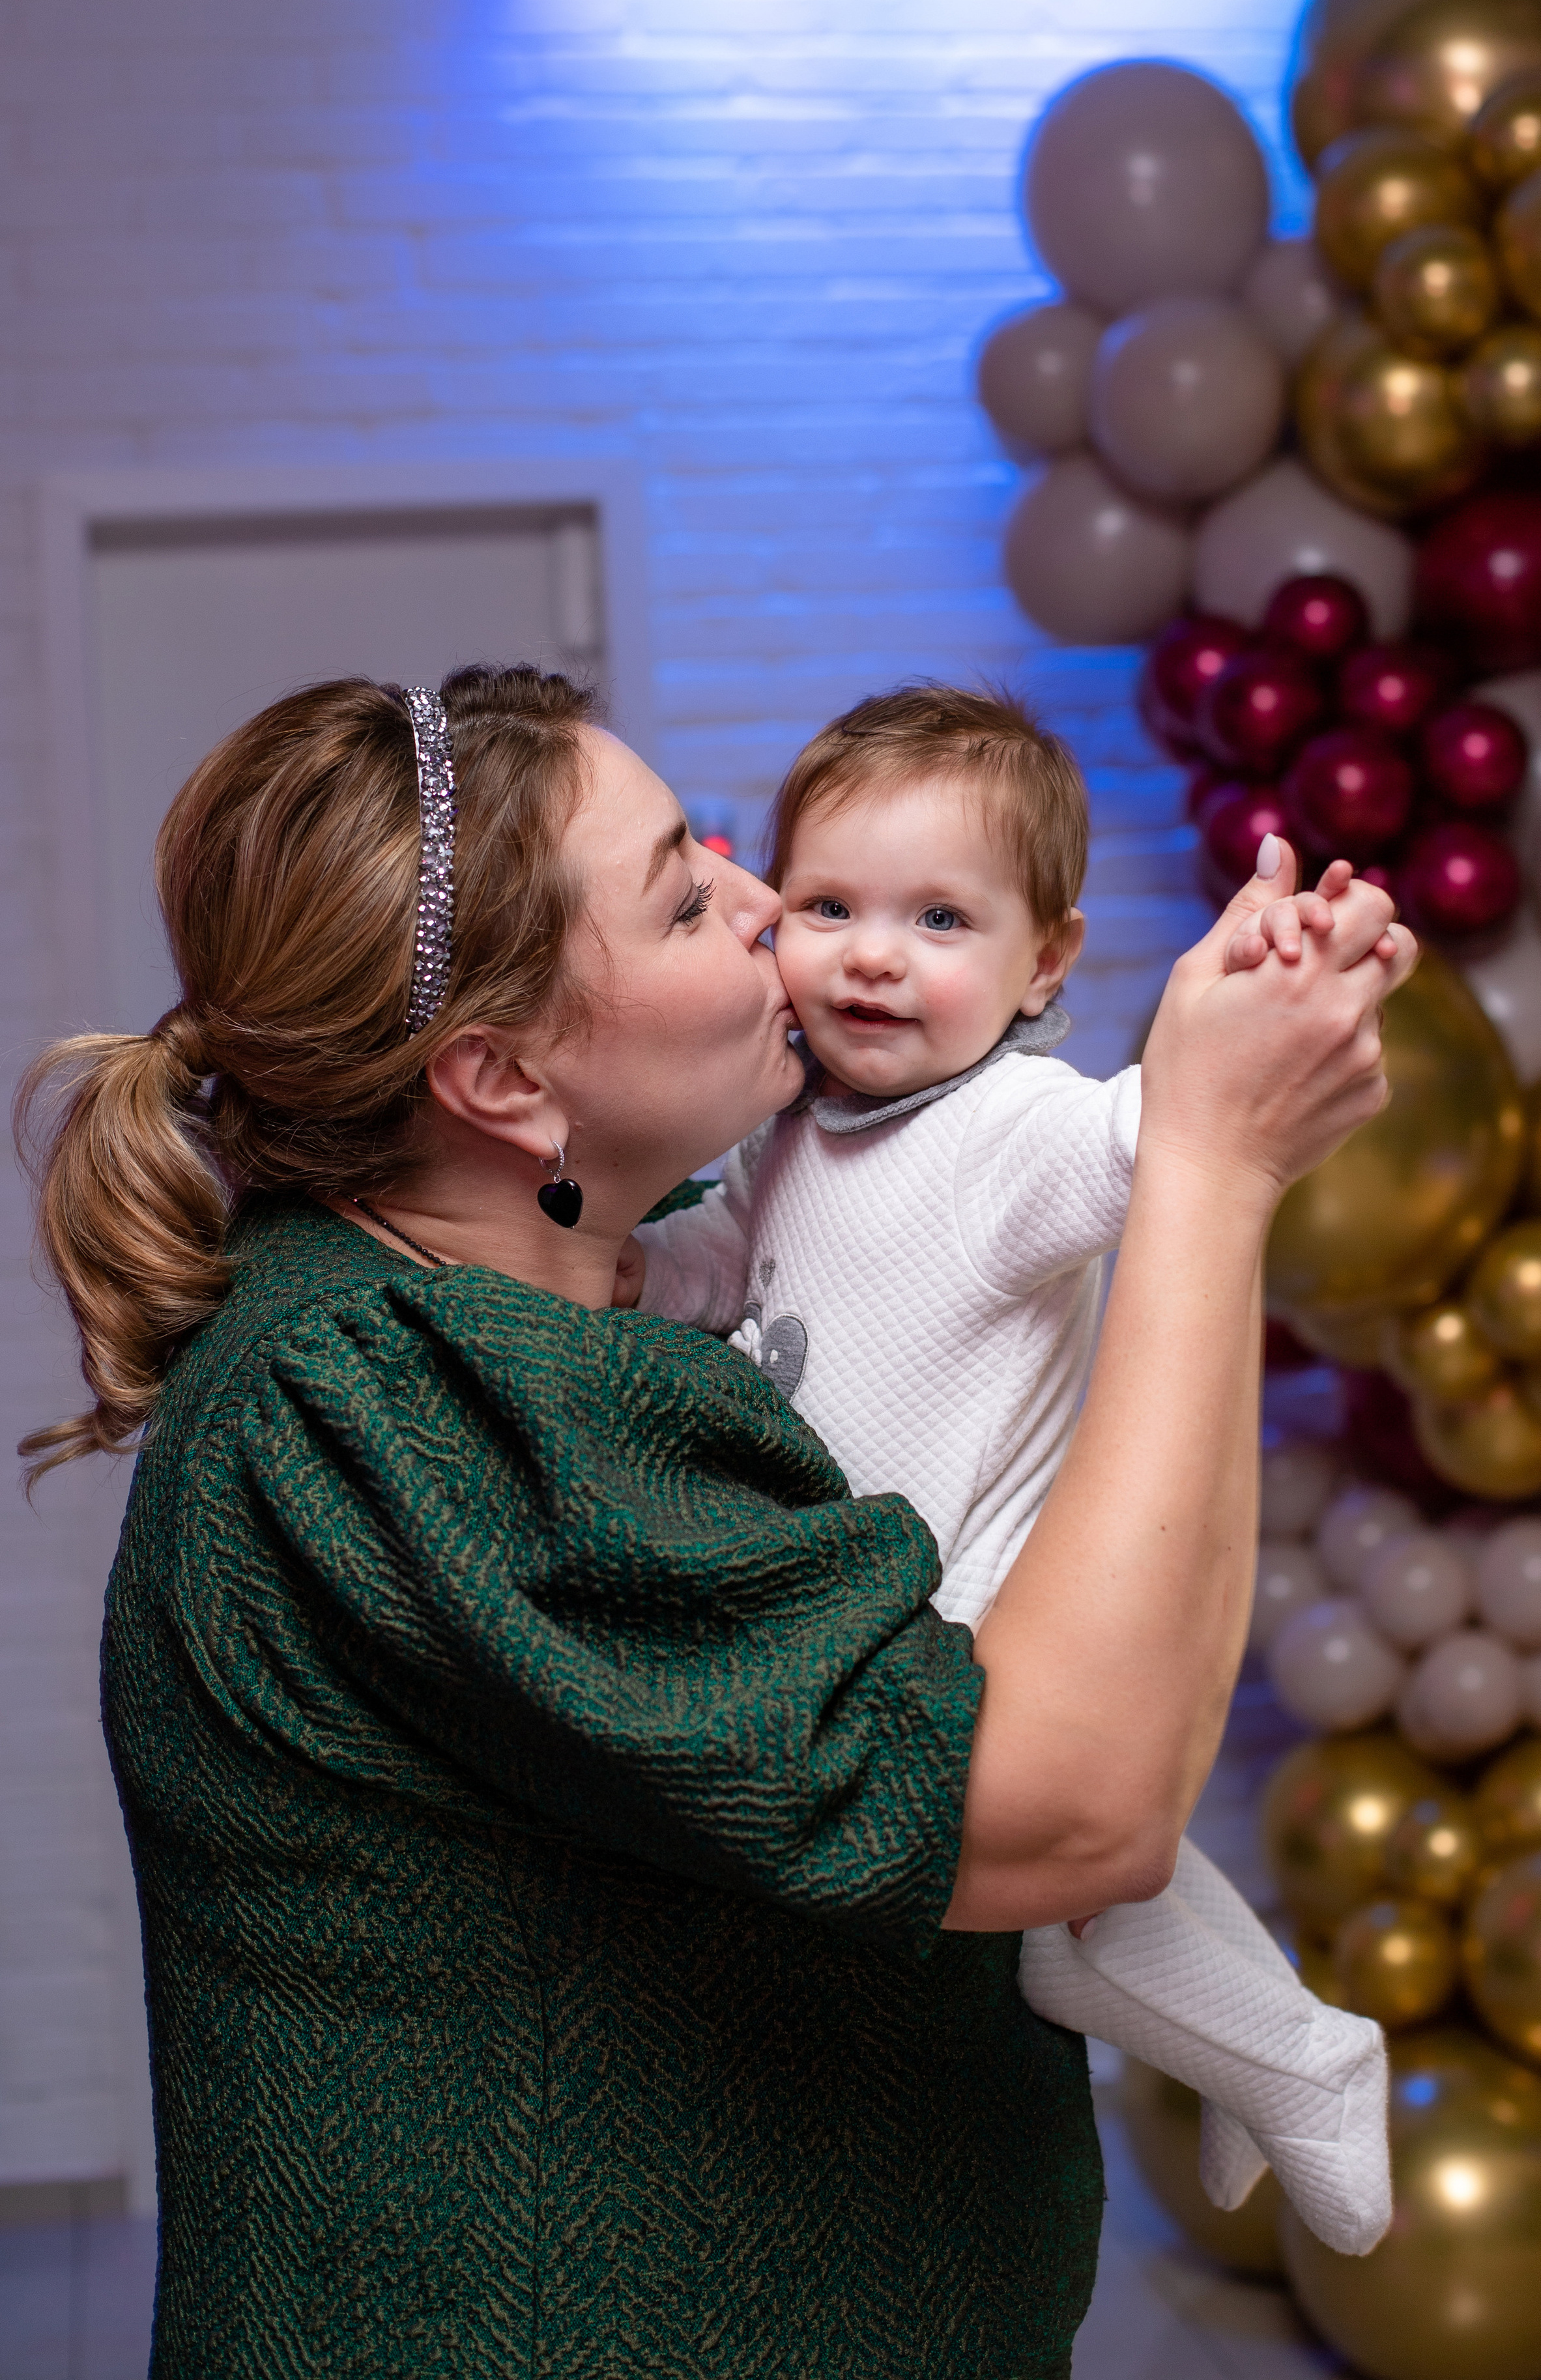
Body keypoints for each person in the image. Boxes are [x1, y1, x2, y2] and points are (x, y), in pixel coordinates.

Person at [16, 663, 1412, 2377]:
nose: (774, 919)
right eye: (690, 896)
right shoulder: (410, 1401)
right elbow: (1069, 1815)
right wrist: (1214, 1168)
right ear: (504, 1083)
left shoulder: (579, 1289)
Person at [618, 685, 1394, 2254]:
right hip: (857, 1600)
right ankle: (1262, 2056)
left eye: (939, 918)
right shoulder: (784, 1135)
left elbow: (1160, 1134)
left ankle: (1310, 2060)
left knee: (1056, 1912)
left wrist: (1246, 993)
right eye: (827, 906)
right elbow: (698, 1265)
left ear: (1045, 964)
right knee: (1059, 1921)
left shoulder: (1015, 1130)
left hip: (978, 1583)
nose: (873, 953)